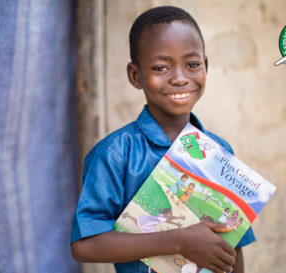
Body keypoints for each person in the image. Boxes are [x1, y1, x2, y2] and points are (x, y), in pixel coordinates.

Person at [70, 6, 255, 273]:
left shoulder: (218, 151)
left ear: (206, 66)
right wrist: (179, 241)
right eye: (161, 67)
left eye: (192, 65)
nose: (180, 78)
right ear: (136, 75)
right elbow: (84, 246)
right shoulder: (115, 154)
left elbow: (232, 245)